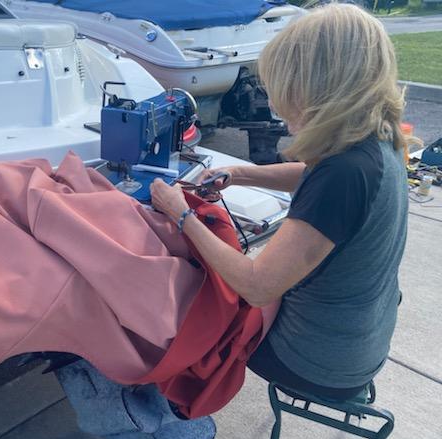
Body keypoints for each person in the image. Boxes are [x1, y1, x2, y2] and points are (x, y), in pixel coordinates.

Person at [150, 3, 414, 400]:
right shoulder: (377, 140)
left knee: (185, 299)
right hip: (358, 343)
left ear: (317, 85)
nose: (276, 103)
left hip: (312, 363)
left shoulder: (344, 174)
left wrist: (181, 213)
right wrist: (240, 174)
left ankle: (156, 393)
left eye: (284, 86)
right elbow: (314, 177)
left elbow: (257, 287)